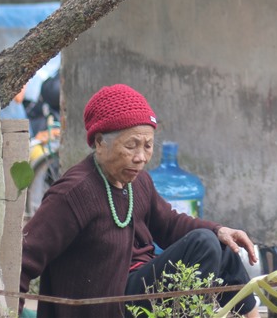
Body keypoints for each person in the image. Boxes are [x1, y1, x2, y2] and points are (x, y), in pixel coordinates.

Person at [20, 84, 260, 317]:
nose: (141, 157)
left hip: (136, 292)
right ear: (100, 143)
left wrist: (219, 230)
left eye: (148, 146)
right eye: (131, 145)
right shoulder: (74, 193)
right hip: (105, 306)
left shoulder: (138, 182)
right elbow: (24, 259)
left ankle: (252, 315)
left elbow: (169, 224)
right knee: (203, 243)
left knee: (219, 244)